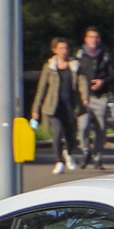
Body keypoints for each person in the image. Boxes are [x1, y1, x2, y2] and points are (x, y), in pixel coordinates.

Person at [31, 36, 79, 172]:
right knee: (57, 133)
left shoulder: (74, 66)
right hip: (54, 106)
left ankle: (69, 153)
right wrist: (36, 108)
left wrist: (84, 98)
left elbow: (81, 84)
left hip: (70, 105)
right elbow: (42, 88)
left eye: (66, 48)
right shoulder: (49, 67)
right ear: (55, 50)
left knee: (71, 135)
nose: (64, 51)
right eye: (61, 48)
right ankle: (59, 160)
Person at [72, 26, 114, 169]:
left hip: (100, 96)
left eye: (96, 37)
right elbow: (74, 75)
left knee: (101, 128)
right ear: (86, 39)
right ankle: (86, 151)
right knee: (83, 126)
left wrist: (102, 81)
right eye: (91, 37)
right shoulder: (79, 55)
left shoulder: (105, 55)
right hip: (84, 97)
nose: (94, 40)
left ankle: (98, 156)